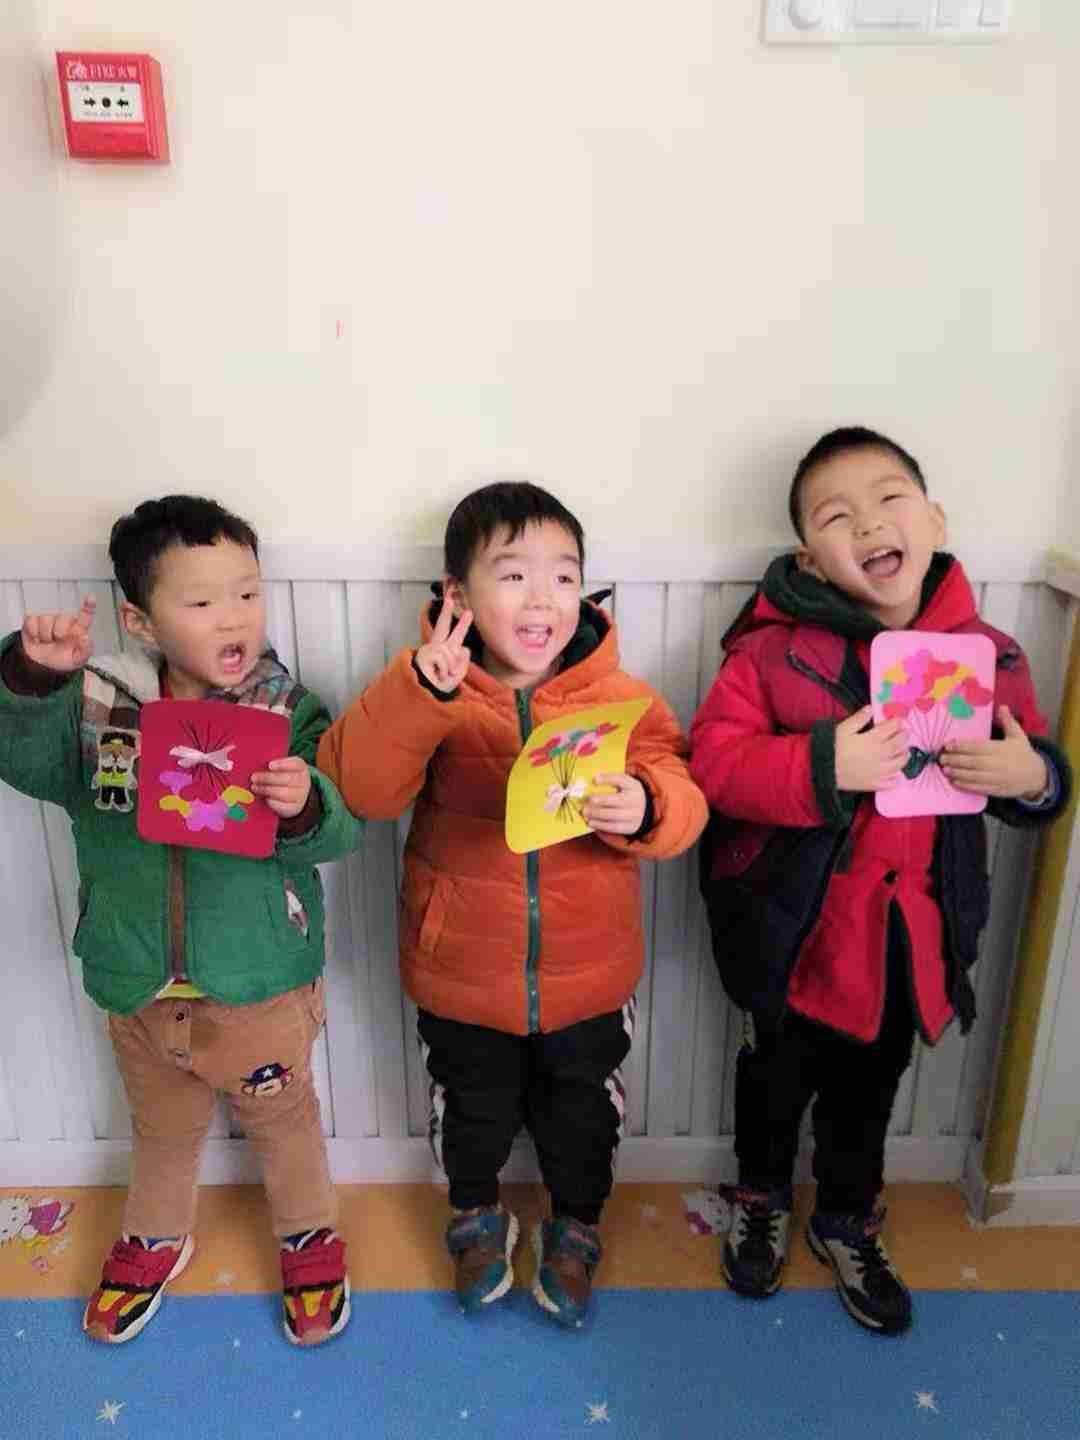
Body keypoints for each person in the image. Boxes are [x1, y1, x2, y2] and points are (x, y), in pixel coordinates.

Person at [689, 427, 1070, 1334]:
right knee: (772, 1081)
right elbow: (716, 765)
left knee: (868, 1094)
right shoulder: (771, 652)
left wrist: (1032, 778)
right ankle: (760, 1197)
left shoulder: (990, 655)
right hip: (793, 936)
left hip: (908, 942)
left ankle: (846, 1217)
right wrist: (823, 764)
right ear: (807, 560)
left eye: (890, 499)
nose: (867, 523)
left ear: (935, 520)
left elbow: (1034, 771)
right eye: (836, 516)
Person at [318, 481, 707, 1327]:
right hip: (460, 970)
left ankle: (577, 1225)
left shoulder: (621, 697)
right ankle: (474, 1216)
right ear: (457, 596)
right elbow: (362, 790)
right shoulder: (430, 688)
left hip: (590, 974)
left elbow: (681, 790)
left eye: (564, 576)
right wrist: (420, 693)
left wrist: (647, 804)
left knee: (584, 1115)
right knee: (471, 1111)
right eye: (514, 574)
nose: (543, 599)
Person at [0, 496, 363, 1347]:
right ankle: (155, 1234)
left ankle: (308, 1234)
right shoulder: (97, 704)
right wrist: (33, 681)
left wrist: (306, 802)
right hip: (138, 983)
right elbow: (28, 765)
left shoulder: (287, 709)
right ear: (140, 620)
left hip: (259, 982)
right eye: (201, 601)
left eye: (247, 594)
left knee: (285, 1123)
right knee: (161, 1131)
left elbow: (339, 831)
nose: (233, 617)